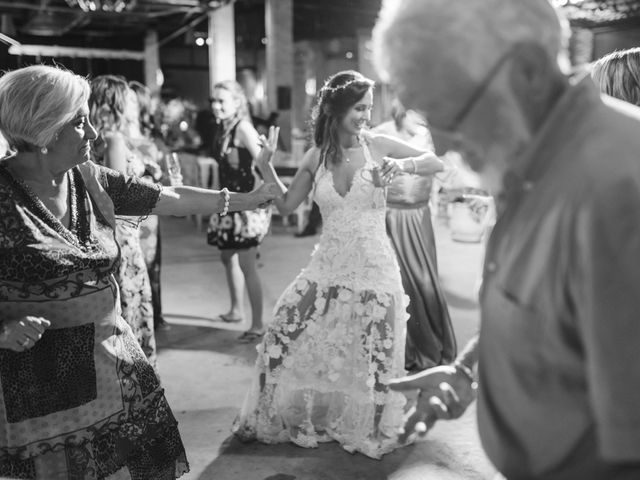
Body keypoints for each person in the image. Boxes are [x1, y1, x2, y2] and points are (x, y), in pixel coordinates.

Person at [373, 0, 640, 478]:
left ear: (529, 71)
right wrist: (471, 366)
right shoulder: (533, 163)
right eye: (425, 118)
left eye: (450, 113)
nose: (445, 145)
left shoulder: (618, 192)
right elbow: (546, 306)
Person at [0, 64, 278, 480]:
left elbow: (169, 196)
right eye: (80, 122)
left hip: (112, 363)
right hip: (39, 383)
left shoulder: (87, 179)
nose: (93, 133)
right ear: (44, 130)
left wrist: (250, 198)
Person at [232, 70, 445, 459]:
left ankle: (376, 428)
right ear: (336, 109)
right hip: (326, 265)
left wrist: (403, 168)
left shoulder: (377, 145)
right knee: (280, 331)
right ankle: (261, 415)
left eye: (368, 107)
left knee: (379, 355)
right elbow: (285, 205)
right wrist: (265, 165)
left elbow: (435, 162)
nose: (365, 115)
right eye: (359, 108)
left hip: (375, 267)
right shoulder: (317, 155)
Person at [373, 100, 457, 372]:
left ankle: (427, 345)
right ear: (402, 110)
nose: (421, 118)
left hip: (419, 217)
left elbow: (448, 173)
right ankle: (398, 349)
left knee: (422, 282)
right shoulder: (383, 132)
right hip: (388, 217)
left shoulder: (429, 135)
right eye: (416, 112)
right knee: (393, 282)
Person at [89, 75, 160, 367]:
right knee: (132, 303)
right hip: (124, 234)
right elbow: (119, 197)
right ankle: (137, 371)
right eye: (127, 99)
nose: (133, 104)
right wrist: (149, 182)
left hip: (105, 233)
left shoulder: (95, 137)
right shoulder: (115, 139)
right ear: (115, 104)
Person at [206, 80, 271, 342]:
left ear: (237, 102)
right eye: (214, 100)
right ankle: (235, 309)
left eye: (222, 101)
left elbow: (264, 162)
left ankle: (257, 325)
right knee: (226, 255)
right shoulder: (224, 128)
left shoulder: (243, 127)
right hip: (227, 203)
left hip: (246, 205)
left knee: (247, 264)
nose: (216, 105)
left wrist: (263, 196)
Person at [128, 80, 169, 331]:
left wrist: (158, 170)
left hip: (150, 205)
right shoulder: (114, 136)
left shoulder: (150, 134)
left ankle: (155, 314)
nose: (127, 106)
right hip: (128, 206)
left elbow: (162, 167)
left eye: (132, 101)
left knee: (152, 261)